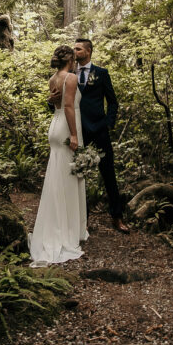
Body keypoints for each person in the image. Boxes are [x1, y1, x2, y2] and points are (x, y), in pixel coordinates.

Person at [51, 38, 128, 233]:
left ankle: (117, 216)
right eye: (74, 49)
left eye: (78, 49)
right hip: (77, 131)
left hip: (100, 131)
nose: (74, 51)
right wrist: (50, 101)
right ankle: (81, 221)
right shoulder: (68, 74)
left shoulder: (102, 74)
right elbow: (58, 104)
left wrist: (108, 124)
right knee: (78, 176)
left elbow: (113, 102)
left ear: (88, 51)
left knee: (108, 174)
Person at [28, 45, 88, 266]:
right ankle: (66, 229)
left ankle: (60, 224)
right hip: (66, 127)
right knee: (68, 177)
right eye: (74, 58)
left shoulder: (53, 78)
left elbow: (53, 102)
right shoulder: (70, 77)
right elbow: (69, 106)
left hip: (55, 125)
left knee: (57, 176)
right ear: (70, 59)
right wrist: (74, 134)